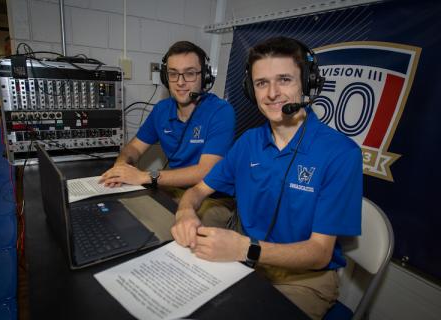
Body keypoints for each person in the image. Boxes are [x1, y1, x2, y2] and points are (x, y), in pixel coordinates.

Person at [170, 36, 362, 320]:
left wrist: (244, 248)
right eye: (262, 83)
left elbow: (320, 253)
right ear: (252, 89)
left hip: (304, 279)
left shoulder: (341, 153)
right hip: (246, 262)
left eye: (284, 79)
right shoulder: (248, 142)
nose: (272, 93)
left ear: (307, 83)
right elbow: (198, 190)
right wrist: (185, 212)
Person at [99, 41, 236, 227]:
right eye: (173, 74)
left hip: (214, 197)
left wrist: (144, 176)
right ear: (166, 77)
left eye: (189, 73)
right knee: (125, 217)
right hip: (175, 189)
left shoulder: (221, 111)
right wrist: (121, 167)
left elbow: (205, 171)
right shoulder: (162, 110)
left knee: (186, 235)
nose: (180, 82)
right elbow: (132, 149)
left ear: (204, 77)